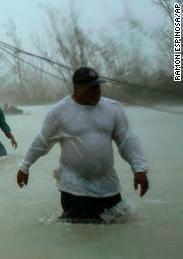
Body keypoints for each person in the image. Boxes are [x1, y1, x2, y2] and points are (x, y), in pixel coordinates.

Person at [16, 67, 149, 223]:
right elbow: (42, 141)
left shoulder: (113, 108)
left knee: (116, 231)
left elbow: (127, 140)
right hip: (74, 189)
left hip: (108, 187)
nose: (96, 91)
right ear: (77, 87)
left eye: (98, 87)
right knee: (81, 237)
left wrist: (139, 168)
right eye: (91, 88)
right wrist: (25, 166)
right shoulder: (59, 112)